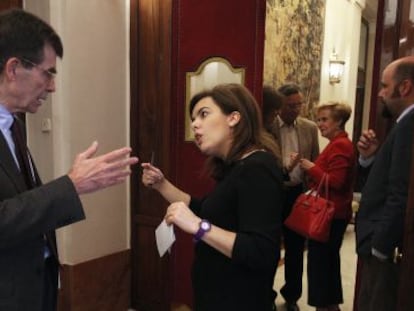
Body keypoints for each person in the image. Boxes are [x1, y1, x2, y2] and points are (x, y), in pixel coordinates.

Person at [0, 9, 138, 311]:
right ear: (13, 68)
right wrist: (71, 185)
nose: (52, 86)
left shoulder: (15, 126)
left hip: (35, 288)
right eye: (47, 72)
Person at [142, 83, 283, 311]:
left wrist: (199, 227)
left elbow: (261, 252)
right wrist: (162, 185)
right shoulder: (236, 167)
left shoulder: (258, 168)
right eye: (193, 118)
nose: (194, 124)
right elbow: (206, 209)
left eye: (204, 114)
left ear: (233, 117)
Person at [355, 56, 414, 311]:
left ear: (405, 87)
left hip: (387, 251)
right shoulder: (402, 123)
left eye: (384, 86)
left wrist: (380, 247)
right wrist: (370, 159)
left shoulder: (409, 125)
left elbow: (401, 193)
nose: (379, 93)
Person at [299, 102, 356, 311]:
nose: (320, 124)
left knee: (321, 266)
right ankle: (331, 306)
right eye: (319, 119)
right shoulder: (337, 143)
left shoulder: (341, 145)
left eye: (324, 119)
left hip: (330, 215)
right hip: (333, 214)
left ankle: (325, 307)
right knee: (328, 264)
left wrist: (312, 168)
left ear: (339, 121)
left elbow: (337, 182)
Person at [272, 83, 319, 311]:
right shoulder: (268, 127)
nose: (296, 109)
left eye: (299, 104)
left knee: (295, 248)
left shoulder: (309, 128)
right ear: (280, 106)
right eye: (291, 106)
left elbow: (316, 160)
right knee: (270, 247)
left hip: (298, 195)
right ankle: (266, 295)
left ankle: (291, 296)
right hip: (272, 194)